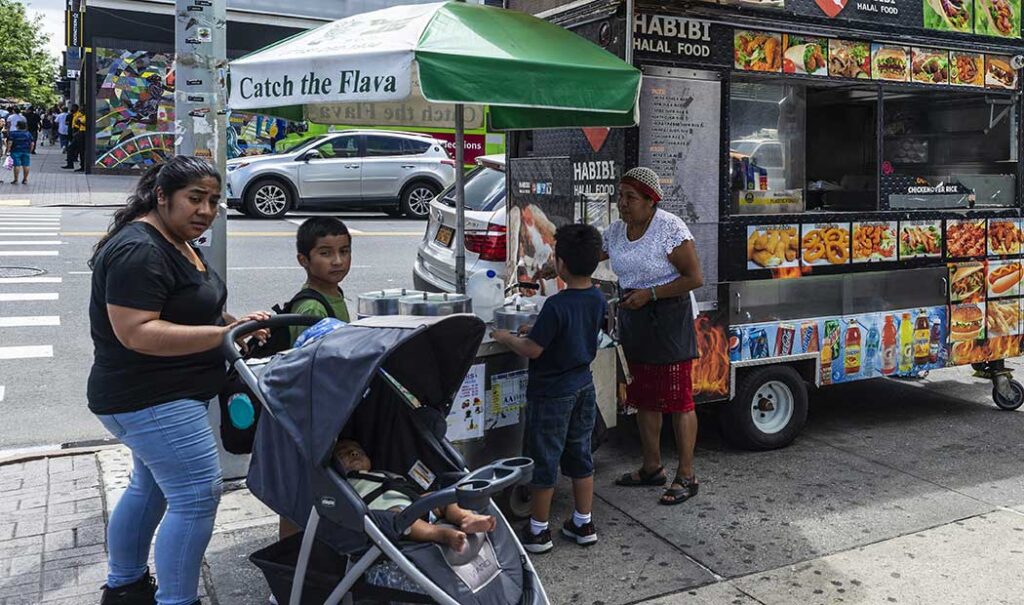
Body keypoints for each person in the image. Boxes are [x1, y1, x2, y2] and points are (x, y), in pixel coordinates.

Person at [88, 156, 270, 605]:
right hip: (151, 397)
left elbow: (185, 308)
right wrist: (222, 334)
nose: (206, 210)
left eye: (213, 201)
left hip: (157, 394)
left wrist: (234, 323)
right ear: (161, 196)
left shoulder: (175, 241)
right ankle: (176, 599)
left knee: (149, 488)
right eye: (195, 199)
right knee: (195, 495)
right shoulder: (140, 249)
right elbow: (137, 332)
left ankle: (124, 587)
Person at [492, 224, 607, 554]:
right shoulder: (596, 297)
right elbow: (569, 330)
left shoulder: (556, 306)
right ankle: (583, 522)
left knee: (544, 459)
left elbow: (533, 350)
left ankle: (539, 531)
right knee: (580, 455)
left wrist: (506, 337)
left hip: (552, 393)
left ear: (562, 264)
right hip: (583, 387)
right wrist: (537, 328)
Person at [605, 167, 703, 506]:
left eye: (630, 197)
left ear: (651, 201)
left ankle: (687, 475)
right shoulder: (618, 231)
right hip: (636, 320)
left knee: (678, 399)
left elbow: (694, 277)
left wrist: (652, 294)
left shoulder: (670, 228)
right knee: (644, 395)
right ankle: (652, 467)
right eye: (620, 196)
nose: (623, 203)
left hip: (670, 319)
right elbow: (593, 253)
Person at [277, 216, 353, 543]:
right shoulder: (311, 305)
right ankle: (292, 562)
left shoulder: (335, 292)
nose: (337, 261)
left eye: (344, 251)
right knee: (301, 493)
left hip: (332, 409)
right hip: (314, 415)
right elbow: (310, 368)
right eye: (325, 253)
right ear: (303, 260)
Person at [332, 439, 496, 551]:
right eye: (343, 453)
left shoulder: (381, 473)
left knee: (444, 497)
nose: (353, 453)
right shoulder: (341, 485)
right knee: (399, 517)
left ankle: (465, 518)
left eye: (357, 451)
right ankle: (439, 534)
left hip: (413, 503)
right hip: (391, 516)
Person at [64, 104, 86, 171]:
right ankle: (71, 164)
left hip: (83, 134)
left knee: (81, 150)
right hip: (79, 132)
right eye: (80, 109)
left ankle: (82, 166)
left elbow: (87, 124)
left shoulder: (84, 116)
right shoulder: (82, 116)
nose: (81, 110)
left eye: (82, 109)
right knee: (73, 149)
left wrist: (79, 123)